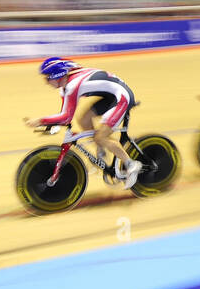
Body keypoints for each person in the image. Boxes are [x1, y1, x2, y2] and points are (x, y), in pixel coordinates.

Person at [23, 57, 143, 190]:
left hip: (122, 97)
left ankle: (132, 164)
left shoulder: (73, 85)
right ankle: (102, 152)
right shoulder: (64, 88)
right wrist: (52, 123)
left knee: (101, 137)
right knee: (83, 120)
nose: (46, 82)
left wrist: (40, 121)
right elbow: (64, 113)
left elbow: (66, 118)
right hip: (110, 96)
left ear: (57, 75)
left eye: (47, 78)